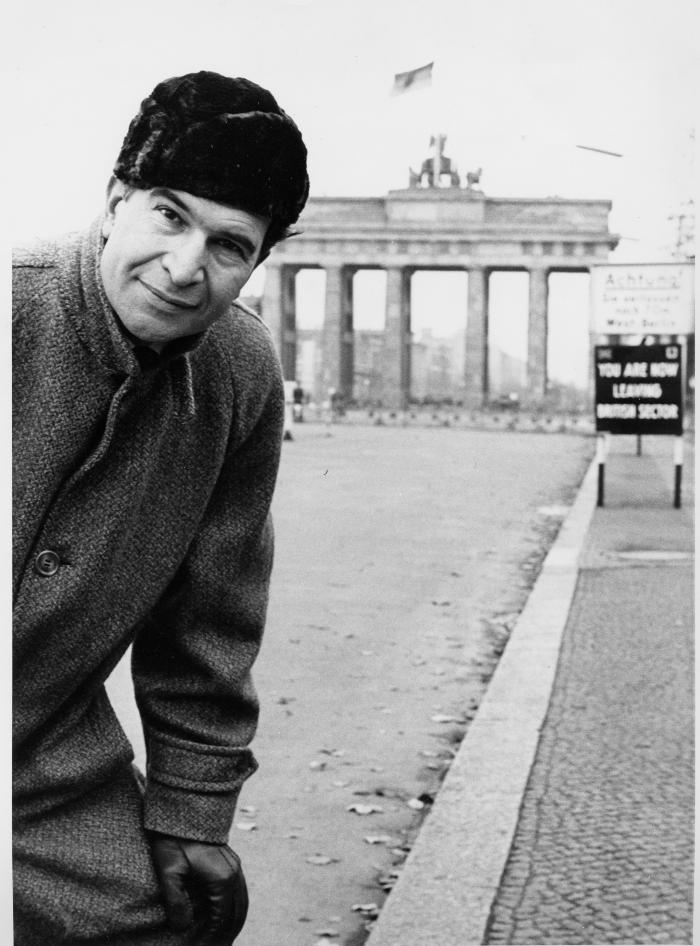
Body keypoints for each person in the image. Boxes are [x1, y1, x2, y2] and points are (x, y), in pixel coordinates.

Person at [12, 70, 309, 946]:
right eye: (169, 216)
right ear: (116, 200)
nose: (185, 268)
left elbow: (208, 625)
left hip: (50, 785)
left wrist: (193, 812)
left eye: (229, 244)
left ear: (260, 260)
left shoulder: (242, 378)